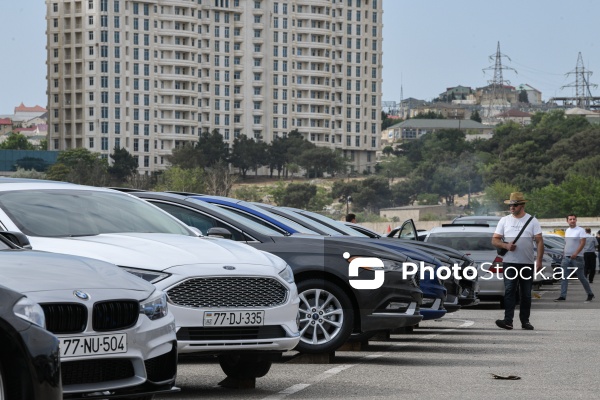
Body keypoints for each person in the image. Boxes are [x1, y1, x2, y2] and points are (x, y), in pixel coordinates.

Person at [492, 192, 543, 331]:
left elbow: (539, 242)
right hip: (509, 262)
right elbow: (495, 240)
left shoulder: (532, 221)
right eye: (510, 205)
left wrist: (538, 260)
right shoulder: (504, 220)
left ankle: (525, 321)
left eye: (514, 205)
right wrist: (506, 246)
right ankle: (508, 321)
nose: (511, 207)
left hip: (526, 263)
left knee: (526, 293)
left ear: (522, 205)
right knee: (509, 291)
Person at [554, 215, 595, 302]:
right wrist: (564, 253)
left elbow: (582, 243)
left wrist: (576, 253)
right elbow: (567, 243)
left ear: (576, 220)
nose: (572, 221)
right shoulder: (567, 230)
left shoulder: (580, 230)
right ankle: (562, 296)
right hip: (566, 258)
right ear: (567, 221)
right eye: (570, 219)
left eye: (574, 219)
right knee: (564, 277)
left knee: (581, 277)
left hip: (577, 258)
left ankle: (590, 293)